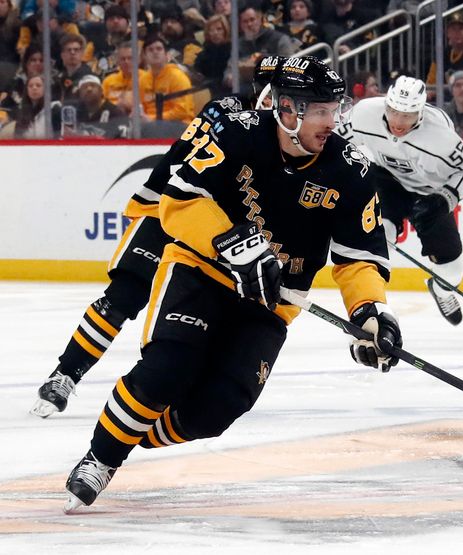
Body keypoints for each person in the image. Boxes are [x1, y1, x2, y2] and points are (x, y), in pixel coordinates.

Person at [62, 56, 399, 512]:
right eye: (318, 110)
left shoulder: (351, 169)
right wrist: (230, 242)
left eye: (333, 109)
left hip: (269, 303)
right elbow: (179, 200)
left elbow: (360, 258)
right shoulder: (236, 132)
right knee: (167, 370)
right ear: (285, 110)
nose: (330, 121)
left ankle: (132, 432)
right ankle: (102, 457)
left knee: (219, 409)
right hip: (201, 272)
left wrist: (370, 314)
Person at [31, 59, 279, 419]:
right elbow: (183, 161)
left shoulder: (290, 136)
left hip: (220, 232)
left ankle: (170, 391)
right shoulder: (226, 111)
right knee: (123, 296)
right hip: (174, 209)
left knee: (204, 316)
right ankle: (64, 375)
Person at [337, 75, 463, 325]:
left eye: (407, 115)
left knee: (452, 269)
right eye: (393, 111)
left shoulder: (441, 136)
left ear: (420, 113)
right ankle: (367, 305)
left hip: (430, 191)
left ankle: (442, 290)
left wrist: (444, 199)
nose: (398, 121)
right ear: (386, 103)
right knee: (381, 238)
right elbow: (334, 144)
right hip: (387, 180)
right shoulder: (363, 114)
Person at [140, 34, 195, 124]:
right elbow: (140, 108)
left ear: (167, 55)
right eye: (150, 49)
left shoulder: (178, 76)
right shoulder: (142, 80)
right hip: (149, 126)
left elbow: (182, 111)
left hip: (179, 125)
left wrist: (153, 119)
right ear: (145, 56)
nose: (155, 52)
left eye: (159, 49)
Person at [425, 12, 463, 95]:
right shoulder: (441, 55)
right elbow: (431, 83)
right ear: (447, 33)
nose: (457, 32)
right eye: (453, 29)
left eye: (461, 29)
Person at [65, 73, 127, 137]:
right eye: (84, 87)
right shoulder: (75, 111)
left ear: (101, 91)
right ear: (79, 94)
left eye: (93, 86)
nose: (89, 89)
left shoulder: (115, 112)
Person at [101, 41, 147, 114]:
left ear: (139, 60)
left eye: (130, 58)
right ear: (118, 62)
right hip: (112, 119)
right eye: (123, 59)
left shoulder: (147, 79)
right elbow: (101, 104)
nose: (126, 62)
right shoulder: (108, 80)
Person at [193, 14, 231, 97]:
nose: (215, 33)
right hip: (206, 89)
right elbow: (197, 71)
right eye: (211, 30)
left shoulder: (233, 50)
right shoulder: (204, 52)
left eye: (219, 29)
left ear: (225, 30)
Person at [13, 72, 61, 137]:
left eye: (38, 85)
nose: (34, 88)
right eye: (30, 86)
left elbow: (58, 137)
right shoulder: (22, 112)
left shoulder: (54, 108)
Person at [57, 32, 95, 103]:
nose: (72, 53)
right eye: (69, 50)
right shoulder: (58, 79)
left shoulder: (89, 78)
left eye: (76, 49)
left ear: (82, 53)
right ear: (62, 55)